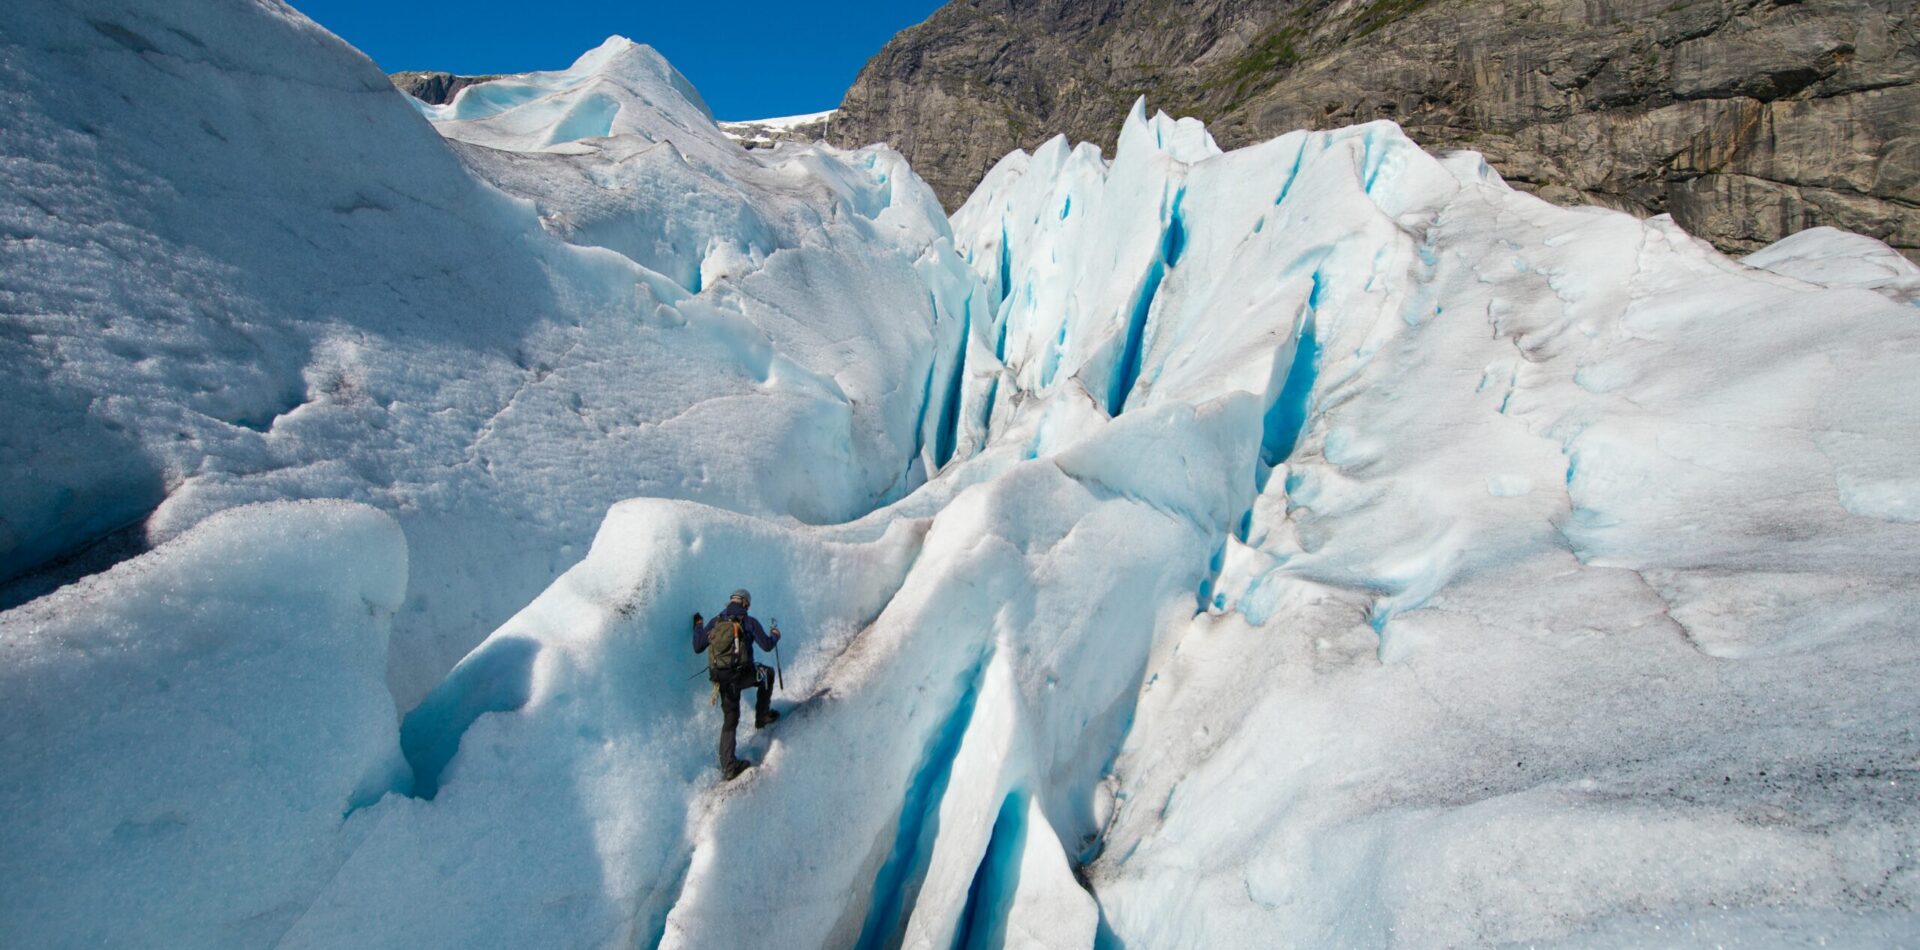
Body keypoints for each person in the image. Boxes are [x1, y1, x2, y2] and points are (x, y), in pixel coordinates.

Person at [692, 588, 780, 780]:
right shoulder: (748, 622)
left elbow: (698, 646)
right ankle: (762, 715)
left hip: (722, 679)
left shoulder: (716, 622)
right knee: (767, 674)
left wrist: (698, 625)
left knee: (730, 720)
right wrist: (775, 635)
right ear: (745, 604)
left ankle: (729, 766)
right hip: (743, 674)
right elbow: (766, 645)